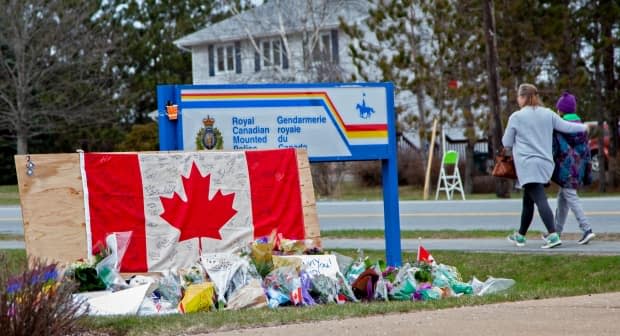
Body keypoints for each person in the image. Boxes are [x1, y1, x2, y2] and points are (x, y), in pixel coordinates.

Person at [502, 83, 588, 249]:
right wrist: (585, 127)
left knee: (540, 198)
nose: (517, 100)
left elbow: (506, 142)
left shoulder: (516, 117)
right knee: (528, 200)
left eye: (518, 97)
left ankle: (553, 235)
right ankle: (520, 236)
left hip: (527, 164)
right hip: (545, 164)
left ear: (523, 97)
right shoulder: (547, 113)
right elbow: (567, 127)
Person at [550, 91, 595, 244]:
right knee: (562, 200)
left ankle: (586, 229)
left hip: (566, 169)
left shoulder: (561, 128)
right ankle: (556, 232)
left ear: (561, 110)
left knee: (571, 198)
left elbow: (556, 148)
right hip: (578, 168)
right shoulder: (580, 127)